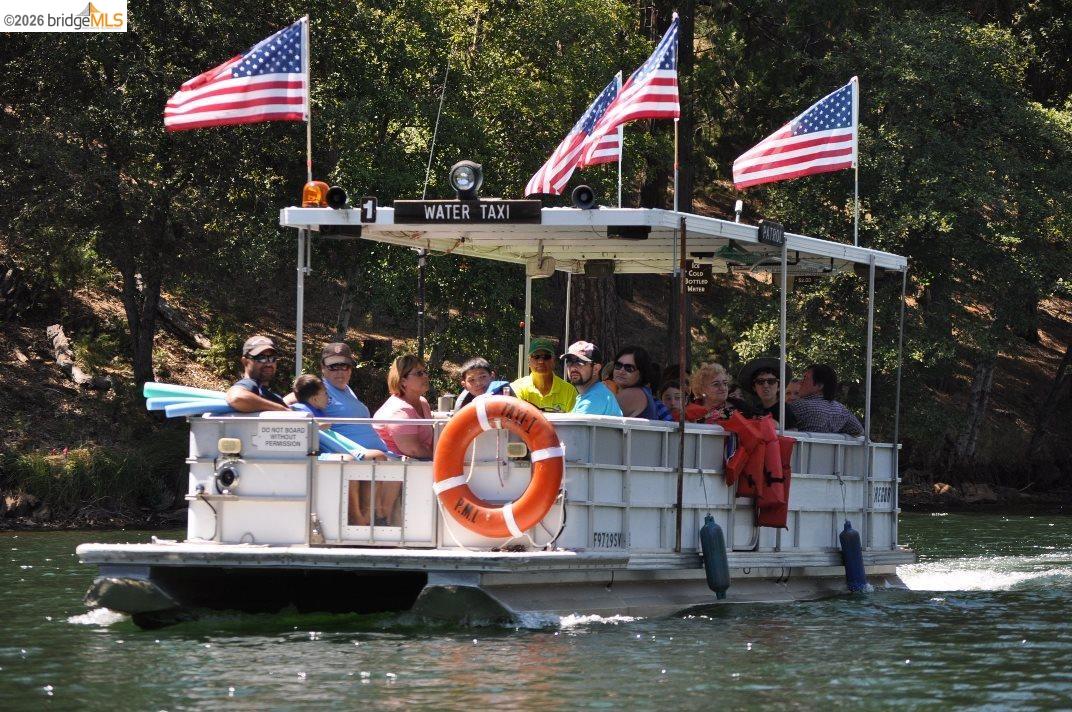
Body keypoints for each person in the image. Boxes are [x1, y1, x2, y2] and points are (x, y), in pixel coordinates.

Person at [284, 342, 393, 455]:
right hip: (354, 460)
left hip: (379, 457)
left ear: (350, 368)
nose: (339, 371)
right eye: (333, 366)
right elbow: (286, 403)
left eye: (344, 366)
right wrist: (313, 427)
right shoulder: (319, 389)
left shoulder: (347, 390)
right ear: (323, 367)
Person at [374, 355, 434, 459]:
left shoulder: (423, 403)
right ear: (402, 381)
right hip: (396, 469)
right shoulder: (399, 411)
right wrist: (443, 457)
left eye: (425, 372)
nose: (425, 376)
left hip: (418, 465)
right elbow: (413, 450)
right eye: (419, 373)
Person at [787, 363, 864, 436]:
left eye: (805, 378)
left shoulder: (798, 406)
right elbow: (858, 431)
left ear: (820, 386)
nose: (800, 382)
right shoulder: (842, 410)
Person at [225, 335, 290, 412]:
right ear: (245, 361)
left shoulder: (263, 391)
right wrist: (284, 410)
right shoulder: (250, 384)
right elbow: (236, 397)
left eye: (272, 358)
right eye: (261, 358)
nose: (268, 364)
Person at [511, 338, 577, 413]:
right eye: (536, 356)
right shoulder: (518, 387)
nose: (541, 361)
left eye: (546, 357)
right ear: (529, 361)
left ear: (553, 360)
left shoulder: (569, 392)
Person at [608, 345, 672, 420]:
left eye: (629, 368)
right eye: (618, 365)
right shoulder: (643, 392)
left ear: (641, 373)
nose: (621, 371)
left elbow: (598, 414)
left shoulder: (633, 394)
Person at [562, 341, 622, 416]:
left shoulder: (595, 398)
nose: (573, 367)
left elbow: (573, 427)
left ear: (596, 369)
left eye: (580, 362)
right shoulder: (592, 394)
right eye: (569, 362)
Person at [738, 357, 797, 428]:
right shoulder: (754, 410)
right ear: (754, 387)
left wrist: (778, 428)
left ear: (779, 387)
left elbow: (794, 435)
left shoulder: (784, 410)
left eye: (771, 381)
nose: (765, 385)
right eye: (760, 382)